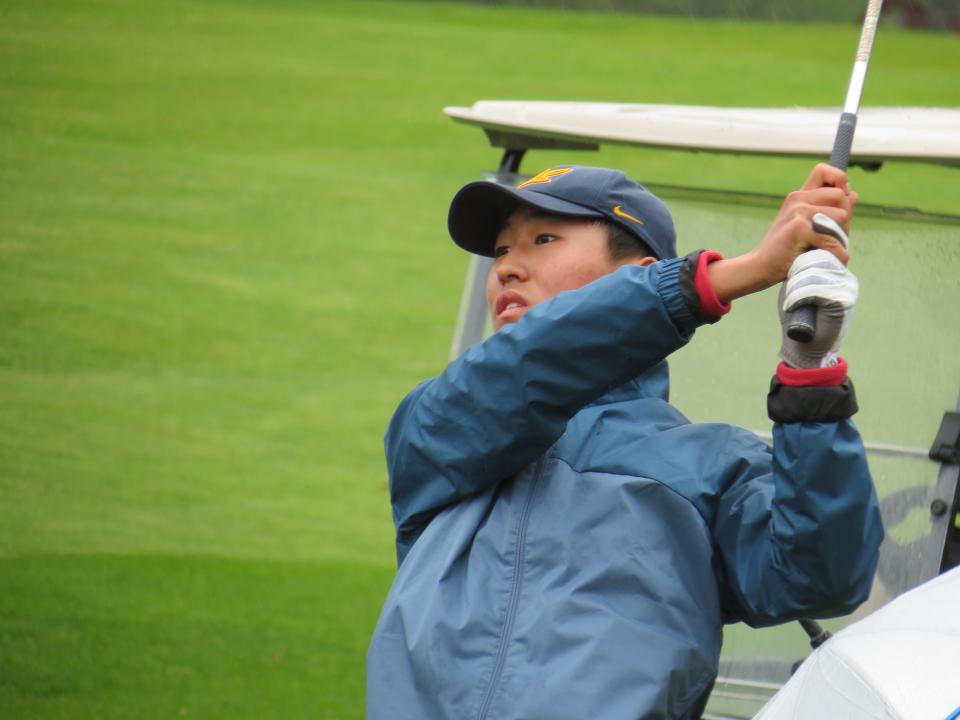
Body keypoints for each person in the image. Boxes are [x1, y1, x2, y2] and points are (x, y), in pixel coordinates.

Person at [366, 163, 884, 719]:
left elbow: (819, 576)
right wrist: (738, 274)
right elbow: (527, 366)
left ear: (636, 274)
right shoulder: (440, 420)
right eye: (499, 252)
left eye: (543, 239)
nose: (508, 268)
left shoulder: (713, 464)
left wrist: (810, 367)